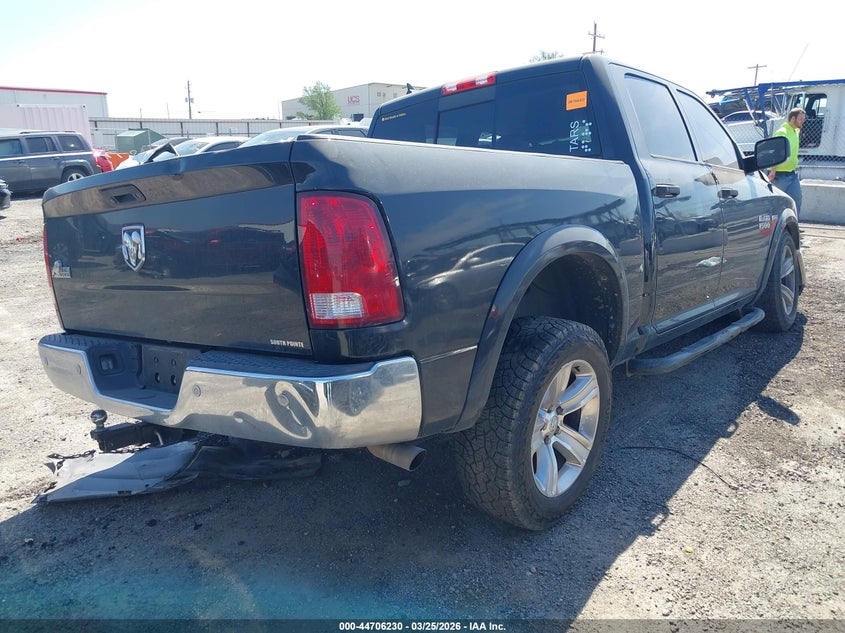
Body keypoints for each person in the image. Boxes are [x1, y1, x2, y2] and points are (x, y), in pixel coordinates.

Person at [768, 107, 806, 219]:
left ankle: (794, 225)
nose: (803, 121)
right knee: (777, 204)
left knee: (797, 199)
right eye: (800, 119)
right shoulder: (782, 132)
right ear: (792, 118)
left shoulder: (796, 131)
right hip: (779, 176)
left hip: (791, 174)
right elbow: (775, 153)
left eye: (803, 119)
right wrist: (773, 171)